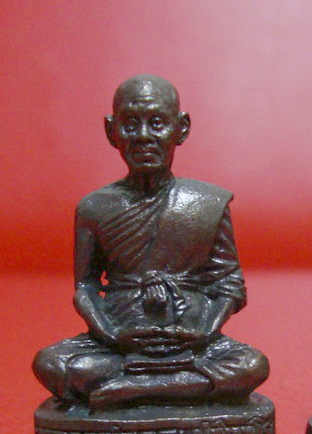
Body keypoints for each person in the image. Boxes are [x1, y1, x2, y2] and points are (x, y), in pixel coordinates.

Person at [33, 75, 268, 409]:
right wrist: (110, 334)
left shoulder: (206, 202)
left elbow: (229, 282)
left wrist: (204, 331)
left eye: (157, 123)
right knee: (51, 364)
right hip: (120, 339)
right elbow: (85, 286)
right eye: (130, 125)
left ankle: (134, 389)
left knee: (253, 365)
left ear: (181, 129)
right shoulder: (94, 207)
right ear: (111, 131)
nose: (143, 136)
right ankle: (173, 387)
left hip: (191, 338)